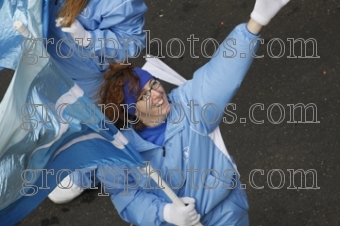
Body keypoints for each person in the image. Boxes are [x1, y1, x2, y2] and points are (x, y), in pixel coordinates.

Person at [94, 0, 291, 225]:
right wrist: (166, 213)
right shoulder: (120, 150)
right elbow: (127, 198)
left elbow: (220, 74)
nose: (157, 94)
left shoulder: (190, 106)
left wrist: (255, 22)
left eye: (154, 84)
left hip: (225, 215)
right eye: (143, 96)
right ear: (132, 112)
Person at [47, 0, 147, 101]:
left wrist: (89, 39)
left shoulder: (122, 3)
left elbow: (133, 42)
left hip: (81, 75)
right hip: (41, 55)